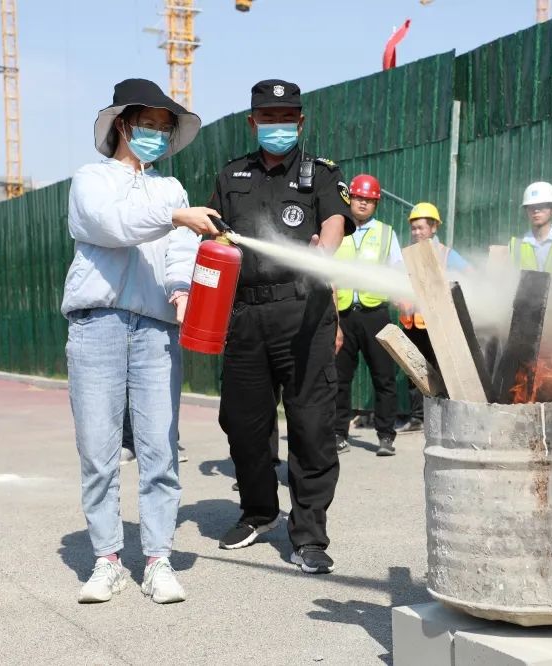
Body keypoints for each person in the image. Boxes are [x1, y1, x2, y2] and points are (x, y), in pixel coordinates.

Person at [62, 79, 224, 603]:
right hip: (98, 324)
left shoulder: (170, 188)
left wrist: (181, 289)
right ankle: (106, 560)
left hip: (156, 329)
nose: (156, 133)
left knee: (160, 449)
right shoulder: (91, 180)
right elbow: (111, 225)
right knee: (99, 450)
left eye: (163, 127)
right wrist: (174, 216)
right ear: (122, 126)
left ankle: (158, 560)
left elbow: (181, 249)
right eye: (147, 124)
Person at [206, 79, 354, 574]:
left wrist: (322, 253)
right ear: (253, 122)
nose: (278, 125)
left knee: (311, 426)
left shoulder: (322, 174)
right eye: (268, 118)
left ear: (300, 122)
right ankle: (258, 511)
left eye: (287, 117)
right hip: (245, 315)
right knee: (243, 423)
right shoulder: (232, 175)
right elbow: (213, 237)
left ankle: (309, 533)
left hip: (304, 312)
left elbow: (334, 221)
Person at [333, 174, 402, 456]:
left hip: (375, 314)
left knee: (384, 377)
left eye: (369, 200)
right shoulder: (336, 230)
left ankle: (386, 436)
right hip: (342, 315)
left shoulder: (386, 233)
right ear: (350, 199)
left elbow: (397, 269)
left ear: (376, 204)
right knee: (339, 378)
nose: (363, 203)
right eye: (358, 198)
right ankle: (338, 434)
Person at [397, 202, 469, 431]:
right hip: (412, 324)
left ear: (434, 227)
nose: (416, 232)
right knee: (414, 371)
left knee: (442, 370)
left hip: (438, 325)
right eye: (413, 228)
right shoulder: (406, 255)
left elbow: (469, 275)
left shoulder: (446, 254)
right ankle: (418, 418)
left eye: (421, 227)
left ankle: (445, 417)